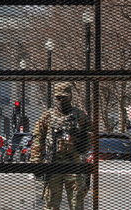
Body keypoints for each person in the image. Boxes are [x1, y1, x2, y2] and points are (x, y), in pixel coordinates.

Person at [30, 82, 90, 210]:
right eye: (58, 98)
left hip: (73, 163)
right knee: (51, 203)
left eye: (64, 97)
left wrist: (80, 138)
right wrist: (36, 162)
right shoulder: (47, 117)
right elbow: (38, 139)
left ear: (70, 97)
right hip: (53, 163)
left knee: (77, 202)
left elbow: (90, 137)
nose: (61, 100)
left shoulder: (79, 116)